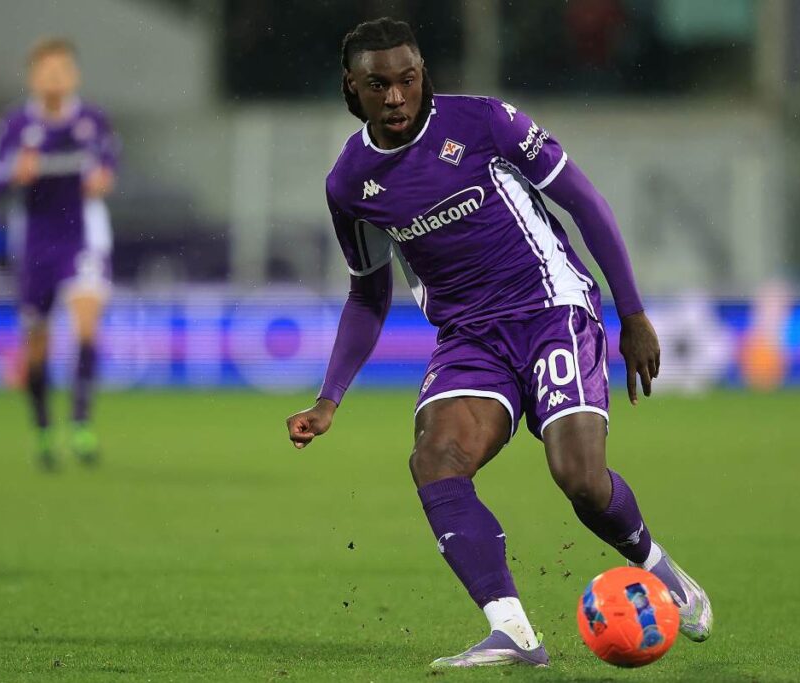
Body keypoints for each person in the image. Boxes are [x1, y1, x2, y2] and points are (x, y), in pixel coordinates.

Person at [285, 18, 712, 667]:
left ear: (423, 74)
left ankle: (661, 569)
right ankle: (513, 631)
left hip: (551, 307)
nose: (397, 96)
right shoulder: (350, 183)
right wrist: (330, 397)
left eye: (408, 79)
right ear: (353, 87)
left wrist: (633, 312)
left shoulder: (486, 123)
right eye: (380, 85)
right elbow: (368, 295)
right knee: (435, 456)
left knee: (581, 480)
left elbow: (583, 201)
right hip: (469, 337)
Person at [0, 38, 118, 470]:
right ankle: (42, 430)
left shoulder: (91, 120)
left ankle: (80, 424)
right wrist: (11, 176)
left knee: (86, 326)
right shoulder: (15, 125)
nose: (55, 78)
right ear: (34, 77)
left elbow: (111, 164)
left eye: (62, 70)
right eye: (47, 71)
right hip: (36, 241)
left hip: (83, 236)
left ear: (73, 75)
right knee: (36, 344)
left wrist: (102, 178)